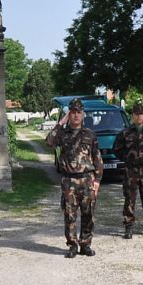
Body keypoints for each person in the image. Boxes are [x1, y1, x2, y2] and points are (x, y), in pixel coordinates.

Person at [46, 97, 103, 257]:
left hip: (87, 180)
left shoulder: (90, 134)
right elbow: (49, 142)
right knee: (69, 215)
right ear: (69, 114)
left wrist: (97, 180)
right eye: (73, 112)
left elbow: (97, 158)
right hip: (69, 180)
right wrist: (61, 122)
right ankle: (72, 245)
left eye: (79, 112)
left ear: (83, 114)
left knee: (88, 214)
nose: (76, 115)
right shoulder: (62, 134)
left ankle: (85, 244)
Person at [113, 102, 143, 238]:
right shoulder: (125, 133)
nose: (138, 117)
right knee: (129, 199)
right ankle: (128, 227)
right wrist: (127, 158)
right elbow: (116, 150)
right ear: (132, 116)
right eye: (136, 114)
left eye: (140, 114)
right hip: (131, 171)